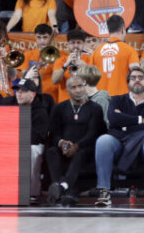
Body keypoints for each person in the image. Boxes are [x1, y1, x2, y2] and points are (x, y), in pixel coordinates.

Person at [95, 66, 144, 208]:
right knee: (103, 140)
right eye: (133, 78)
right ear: (128, 83)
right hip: (118, 140)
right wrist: (139, 120)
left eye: (140, 78)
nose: (137, 81)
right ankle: (104, 191)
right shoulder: (117, 100)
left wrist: (125, 123)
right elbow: (113, 120)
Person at [46, 73, 105, 206]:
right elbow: (54, 132)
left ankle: (61, 188)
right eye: (74, 87)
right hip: (64, 146)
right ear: (67, 90)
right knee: (51, 151)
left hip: (85, 147)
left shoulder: (95, 108)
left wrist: (77, 146)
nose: (78, 90)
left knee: (80, 154)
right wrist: (62, 143)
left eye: (80, 86)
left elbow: (93, 133)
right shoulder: (59, 108)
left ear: (84, 87)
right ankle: (64, 190)